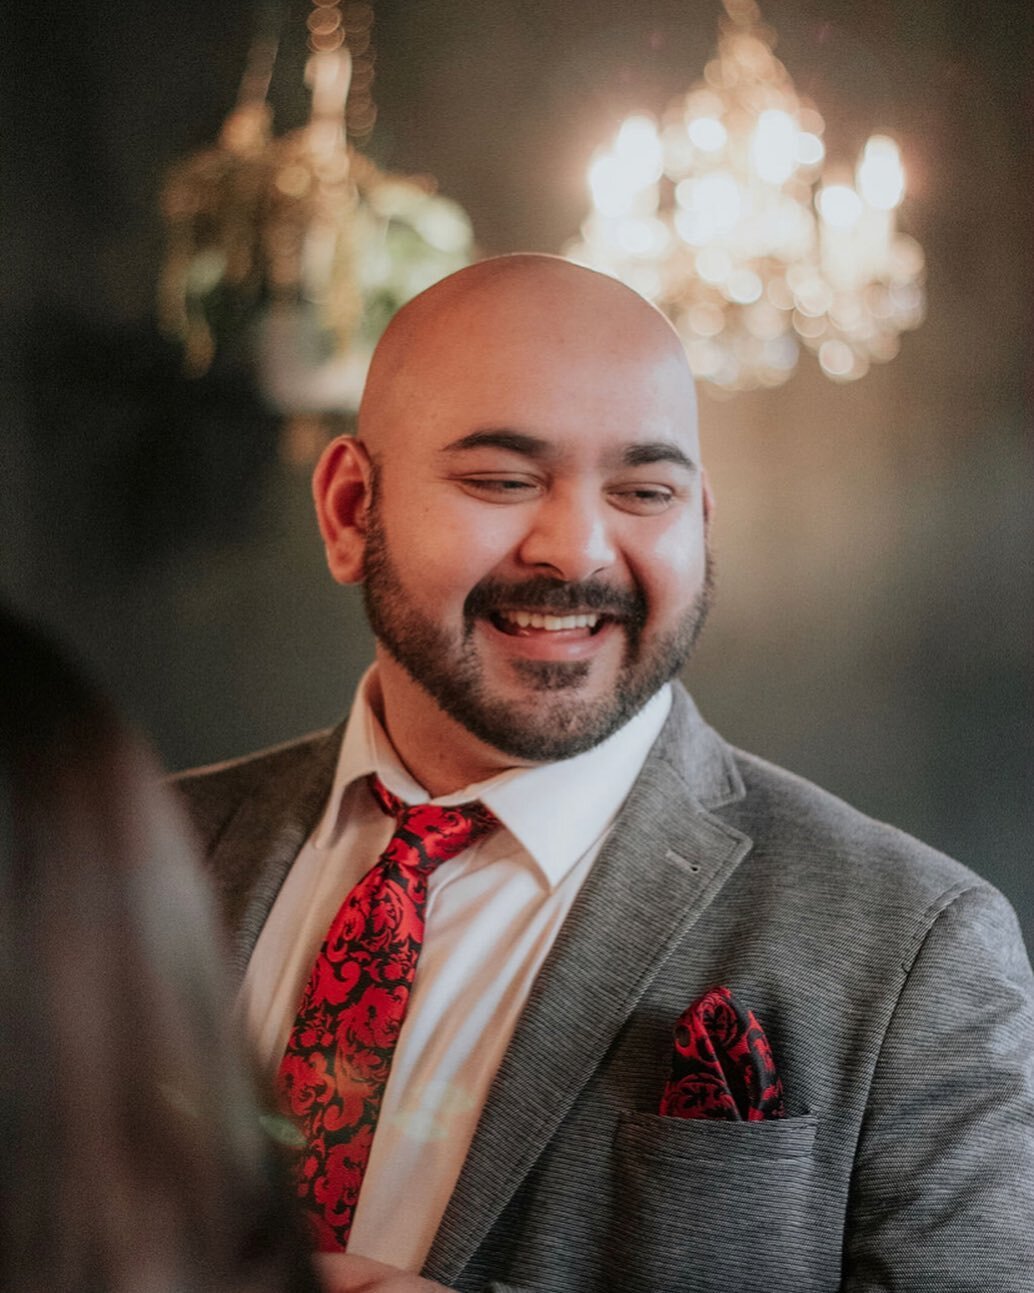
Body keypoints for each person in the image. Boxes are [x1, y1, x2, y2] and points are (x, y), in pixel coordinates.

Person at [173, 255, 1034, 1293]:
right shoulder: (135, 853)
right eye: (500, 479)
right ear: (351, 508)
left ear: (699, 522)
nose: (577, 548)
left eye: (643, 490)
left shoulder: (917, 950)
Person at [0, 606, 317, 1293]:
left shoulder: (93, 840)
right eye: (498, 486)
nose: (575, 549)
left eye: (619, 493)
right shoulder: (153, 821)